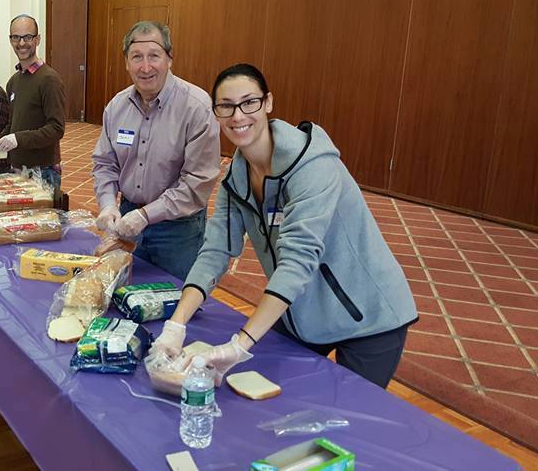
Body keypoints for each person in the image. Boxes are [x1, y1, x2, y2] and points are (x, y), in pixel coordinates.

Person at [149, 63, 418, 389]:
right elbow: (215, 251)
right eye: (226, 106)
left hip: (368, 316)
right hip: (300, 313)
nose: (238, 116)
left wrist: (239, 345)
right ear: (216, 113)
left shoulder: (312, 165)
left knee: (348, 422)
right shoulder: (236, 178)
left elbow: (297, 260)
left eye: (249, 102)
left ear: (268, 103)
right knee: (274, 394)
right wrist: (175, 326)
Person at [91, 21, 221, 281]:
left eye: (154, 56)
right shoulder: (117, 107)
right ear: (126, 62)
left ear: (169, 59)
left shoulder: (196, 107)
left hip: (177, 231)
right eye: (137, 57)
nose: (146, 67)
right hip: (126, 221)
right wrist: (107, 205)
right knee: (125, 298)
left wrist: (146, 215)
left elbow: (198, 182)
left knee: (174, 303)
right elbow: (105, 163)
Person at [0, 14, 66, 188]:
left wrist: (18, 138)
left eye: (27, 37)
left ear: (38, 39)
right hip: (17, 168)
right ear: (10, 40)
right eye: (16, 37)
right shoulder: (13, 82)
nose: (21, 43)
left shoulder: (49, 79)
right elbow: (13, 124)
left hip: (43, 171)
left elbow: (56, 129)